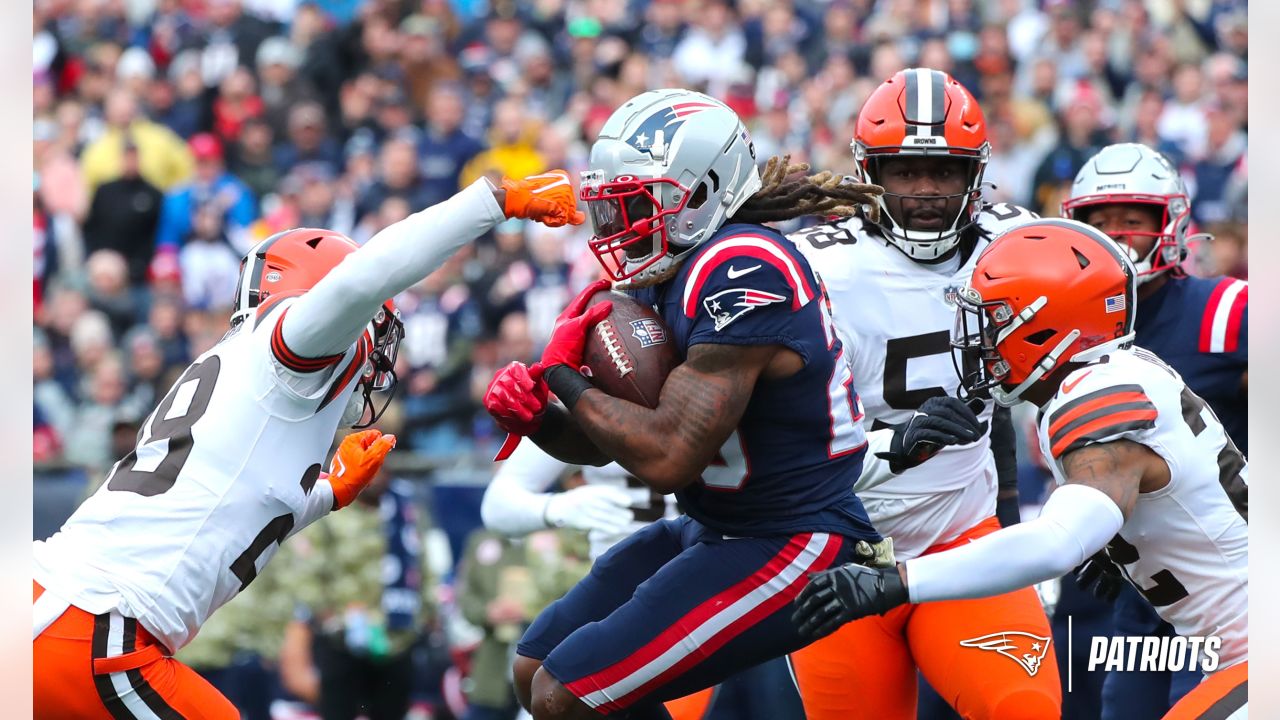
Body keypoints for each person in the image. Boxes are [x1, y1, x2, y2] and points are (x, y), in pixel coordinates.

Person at [482, 88, 965, 720]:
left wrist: (562, 375)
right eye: (612, 207)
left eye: (635, 205)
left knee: (565, 693)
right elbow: (614, 443)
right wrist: (540, 416)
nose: (620, 227)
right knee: (531, 667)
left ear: (703, 193)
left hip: (796, 538)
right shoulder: (672, 269)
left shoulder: (745, 266)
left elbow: (668, 457)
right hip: (717, 526)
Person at [32, 168, 586, 717]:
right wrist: (493, 201)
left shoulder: (250, 374)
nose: (375, 353)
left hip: (59, 609)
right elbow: (363, 279)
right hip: (97, 626)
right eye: (371, 327)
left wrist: (327, 494)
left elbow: (233, 500)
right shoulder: (286, 349)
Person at [792, 218, 1249, 720]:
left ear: (1045, 326)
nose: (979, 339)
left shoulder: (1092, 399)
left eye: (993, 320)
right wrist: (1125, 537)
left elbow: (1054, 543)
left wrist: (900, 581)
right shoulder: (1119, 370)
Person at [785, 67, 1061, 720]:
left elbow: (1075, 378)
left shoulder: (1015, 246)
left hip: (964, 543)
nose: (927, 191)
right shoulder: (817, 267)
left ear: (977, 174)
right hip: (838, 556)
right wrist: (892, 443)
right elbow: (782, 442)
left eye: (945, 171)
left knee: (1026, 709)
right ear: (869, 173)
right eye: (906, 171)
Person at [1061, 142, 1248, 719]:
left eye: (1131, 219)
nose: (1115, 234)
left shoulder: (1226, 309)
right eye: (1099, 222)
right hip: (1146, 590)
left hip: (1226, 588)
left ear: (1170, 224)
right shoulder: (1074, 330)